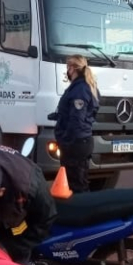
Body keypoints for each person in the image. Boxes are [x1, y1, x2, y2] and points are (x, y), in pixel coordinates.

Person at [49, 55, 99, 193]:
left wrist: (65, 140)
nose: (67, 71)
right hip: (81, 141)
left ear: (72, 68)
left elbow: (77, 119)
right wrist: (58, 116)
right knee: (76, 182)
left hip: (75, 143)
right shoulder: (84, 87)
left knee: (77, 185)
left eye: (68, 67)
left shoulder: (80, 89)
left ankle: (83, 206)